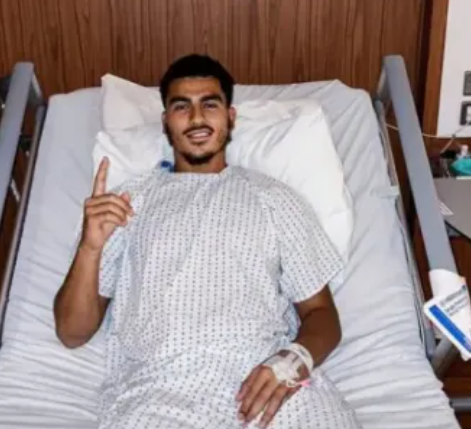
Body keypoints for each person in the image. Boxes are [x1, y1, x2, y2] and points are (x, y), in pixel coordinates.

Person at [54, 54, 361, 429]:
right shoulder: (126, 203)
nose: (197, 118)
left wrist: (290, 363)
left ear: (230, 117)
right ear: (165, 121)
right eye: (181, 106)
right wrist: (90, 247)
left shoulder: (276, 199)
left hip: (268, 380)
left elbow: (322, 315)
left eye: (210, 105)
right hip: (159, 389)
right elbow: (71, 332)